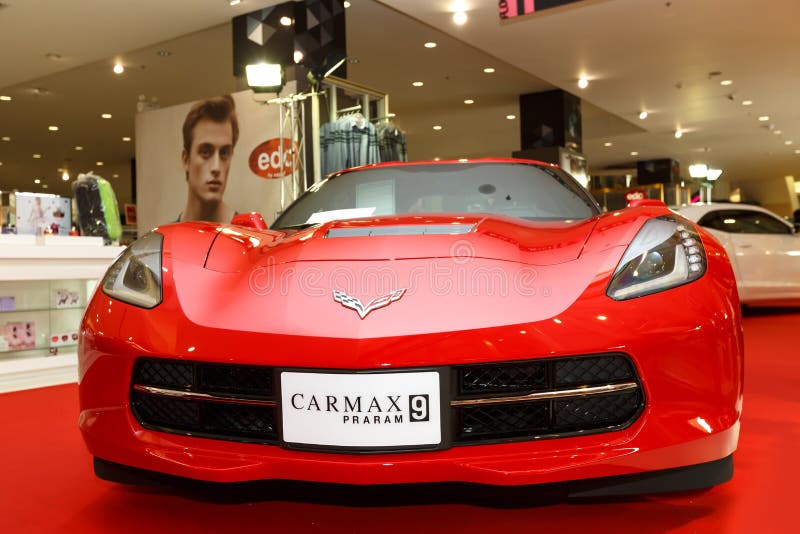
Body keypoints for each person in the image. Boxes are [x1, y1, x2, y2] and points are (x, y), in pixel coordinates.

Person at [176, 95, 239, 223]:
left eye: (224, 153)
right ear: (186, 159)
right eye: (205, 152)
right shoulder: (166, 240)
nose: (216, 167)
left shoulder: (249, 240)